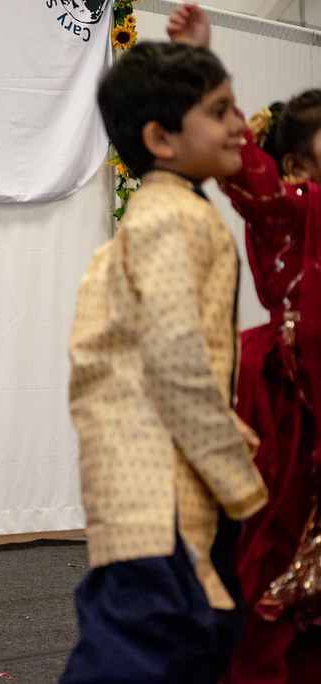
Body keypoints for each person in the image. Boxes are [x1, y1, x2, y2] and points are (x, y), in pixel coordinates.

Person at [59, 39, 268, 683]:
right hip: (160, 486)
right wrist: (246, 487)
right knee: (146, 649)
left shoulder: (164, 213)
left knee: (188, 639)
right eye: (221, 110)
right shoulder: (173, 220)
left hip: (151, 483)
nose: (240, 123)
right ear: (161, 138)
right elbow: (175, 365)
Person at [169, 4, 321, 681]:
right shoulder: (288, 212)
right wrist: (203, 62)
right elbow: (243, 169)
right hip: (295, 412)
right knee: (278, 565)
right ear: (293, 164)